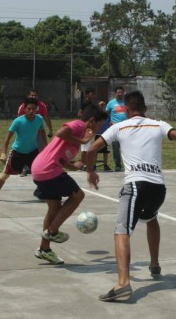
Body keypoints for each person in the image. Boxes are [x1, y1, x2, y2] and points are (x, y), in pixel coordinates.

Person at [86, 90, 176, 302]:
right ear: (145, 109)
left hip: (135, 186)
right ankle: (154, 264)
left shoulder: (119, 126)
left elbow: (92, 149)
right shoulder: (159, 124)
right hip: (158, 189)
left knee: (121, 231)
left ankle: (123, 283)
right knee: (150, 217)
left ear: (125, 110)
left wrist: (91, 171)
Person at [31, 103, 108, 265]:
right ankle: (52, 231)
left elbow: (60, 159)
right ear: (92, 121)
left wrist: (74, 167)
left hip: (41, 169)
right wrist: (83, 139)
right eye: (99, 125)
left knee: (53, 210)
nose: (99, 129)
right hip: (48, 170)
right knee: (78, 195)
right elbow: (60, 132)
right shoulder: (78, 125)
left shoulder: (77, 138)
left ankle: (44, 249)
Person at [0, 97, 46, 202]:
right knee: (6, 174)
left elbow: (42, 132)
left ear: (36, 109)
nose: (31, 111)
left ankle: (39, 190)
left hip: (32, 151)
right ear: (24, 109)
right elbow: (7, 137)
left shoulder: (39, 119)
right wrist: (3, 153)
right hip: (17, 152)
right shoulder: (18, 121)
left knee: (40, 172)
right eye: (29, 108)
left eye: (33, 109)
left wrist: (46, 148)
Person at [105, 86, 127, 171]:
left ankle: (128, 166)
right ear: (115, 93)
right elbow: (106, 115)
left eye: (121, 92)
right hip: (115, 129)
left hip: (126, 128)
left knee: (127, 148)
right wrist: (109, 123)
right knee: (116, 148)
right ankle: (118, 165)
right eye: (118, 92)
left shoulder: (127, 102)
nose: (120, 94)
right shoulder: (111, 103)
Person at [78, 87, 96, 168]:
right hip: (86, 127)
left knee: (88, 146)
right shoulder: (85, 102)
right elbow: (80, 113)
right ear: (87, 94)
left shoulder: (91, 103)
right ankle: (83, 164)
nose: (93, 95)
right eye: (91, 94)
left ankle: (86, 164)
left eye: (93, 94)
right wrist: (85, 121)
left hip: (90, 126)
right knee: (85, 146)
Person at [95, 101, 112, 172]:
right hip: (97, 134)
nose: (102, 106)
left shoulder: (107, 115)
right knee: (95, 150)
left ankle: (105, 165)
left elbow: (109, 123)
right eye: (100, 105)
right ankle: (94, 165)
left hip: (105, 134)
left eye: (103, 105)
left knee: (106, 151)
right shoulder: (96, 114)